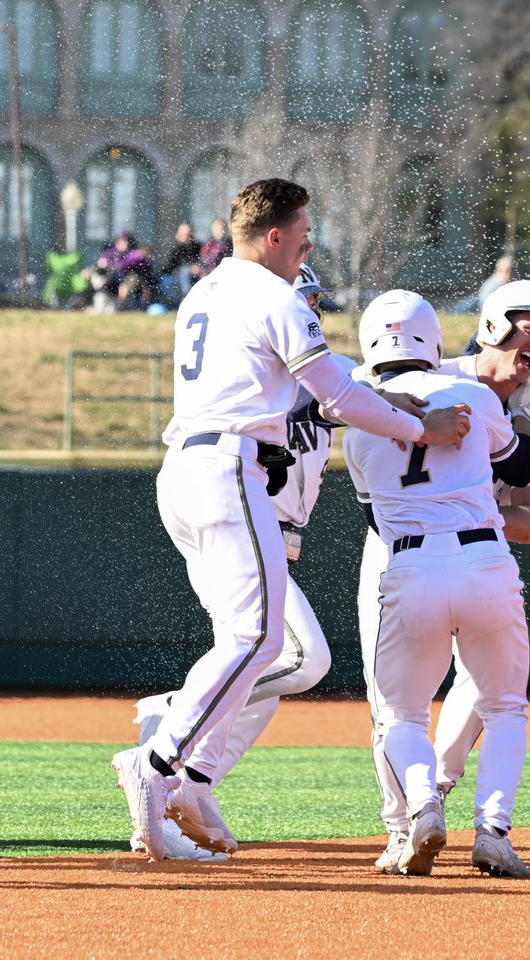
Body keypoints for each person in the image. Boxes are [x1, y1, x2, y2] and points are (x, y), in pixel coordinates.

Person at [111, 178, 471, 863]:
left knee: (257, 645)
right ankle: (158, 759)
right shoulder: (273, 295)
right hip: (228, 467)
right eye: (302, 234)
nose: (308, 246)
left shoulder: (204, 291)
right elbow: (336, 392)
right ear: (274, 236)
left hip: (185, 469)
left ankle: (172, 788)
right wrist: (420, 428)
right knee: (259, 639)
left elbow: (332, 388)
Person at [356, 280, 530, 878]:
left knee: (431, 703)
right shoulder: (460, 382)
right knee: (433, 704)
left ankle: (431, 801)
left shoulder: (373, 397)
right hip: (452, 555)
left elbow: (527, 522)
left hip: (417, 551)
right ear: (494, 323)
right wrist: (466, 504)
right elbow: (516, 467)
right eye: (529, 326)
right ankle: (412, 827)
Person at [129, 263, 342, 863]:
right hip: (239, 518)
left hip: (246, 521)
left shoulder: (281, 372)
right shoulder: (273, 377)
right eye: (306, 305)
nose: (313, 317)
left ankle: (192, 784)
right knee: (300, 658)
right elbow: (348, 388)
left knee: (261, 673)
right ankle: (175, 717)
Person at [158, 222, 203, 305]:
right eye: (181, 234)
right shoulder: (176, 250)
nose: (183, 236)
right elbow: (170, 266)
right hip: (178, 277)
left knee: (185, 272)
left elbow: (202, 260)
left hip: (193, 276)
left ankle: (187, 299)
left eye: (186, 234)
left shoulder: (197, 246)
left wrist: (198, 266)